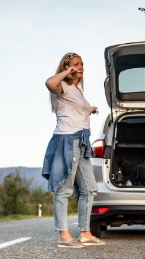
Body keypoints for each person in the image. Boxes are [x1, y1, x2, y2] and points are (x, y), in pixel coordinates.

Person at [42, 52, 105, 248]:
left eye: (81, 64)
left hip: (82, 142)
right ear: (66, 67)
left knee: (88, 189)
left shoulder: (77, 90)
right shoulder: (62, 86)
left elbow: (77, 108)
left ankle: (85, 233)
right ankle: (64, 235)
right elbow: (50, 83)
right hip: (67, 140)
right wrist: (66, 72)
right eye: (75, 64)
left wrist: (90, 109)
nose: (80, 67)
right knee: (64, 189)